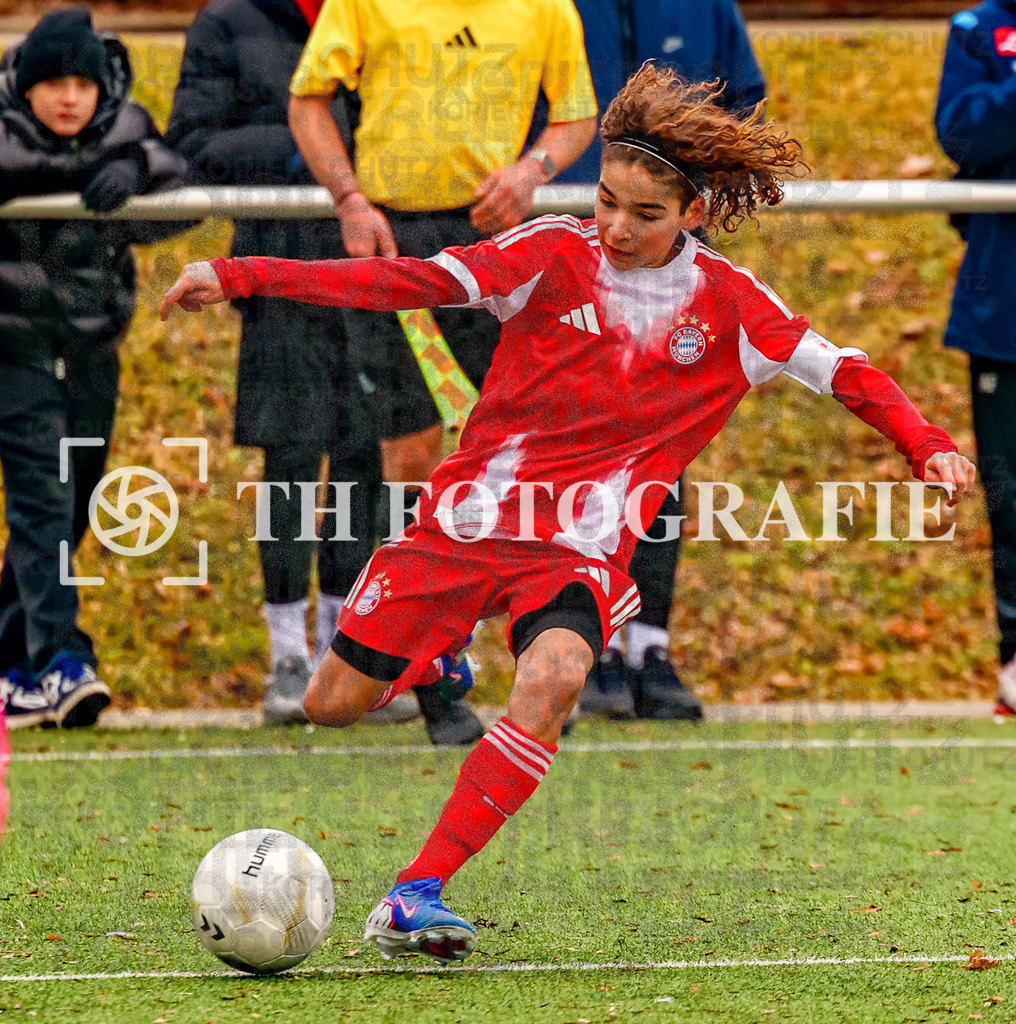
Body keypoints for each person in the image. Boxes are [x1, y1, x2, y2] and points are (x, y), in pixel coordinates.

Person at [162, 64, 976, 965]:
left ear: (695, 214)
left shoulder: (734, 308)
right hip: (464, 525)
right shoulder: (551, 253)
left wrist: (925, 441)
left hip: (580, 547)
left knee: (553, 677)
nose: (617, 228)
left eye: (646, 214)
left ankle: (413, 893)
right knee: (332, 705)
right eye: (608, 202)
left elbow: (848, 370)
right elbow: (402, 283)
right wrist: (238, 272)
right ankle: (438, 660)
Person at [165, 0, 478, 742]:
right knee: (292, 462)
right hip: (279, 278)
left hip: (374, 269)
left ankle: (351, 651)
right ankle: (285, 652)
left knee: (368, 462)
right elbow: (196, 142)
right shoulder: (228, 22)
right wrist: (316, 149)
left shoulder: (390, 15)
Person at [286, 0, 599, 487]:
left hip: (495, 242)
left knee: (515, 440)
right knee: (408, 443)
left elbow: (577, 117)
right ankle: (408, 558)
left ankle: (500, 559)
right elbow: (306, 100)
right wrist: (348, 198)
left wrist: (531, 171)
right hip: (394, 241)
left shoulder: (546, 8)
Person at [564, 0, 765, 720]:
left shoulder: (707, 4)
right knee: (582, 452)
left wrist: (683, 201)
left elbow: (745, 103)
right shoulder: (536, 7)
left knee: (663, 453)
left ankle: (649, 639)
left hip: (674, 262)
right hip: (582, 257)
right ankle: (591, 641)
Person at [0, 9, 189, 729]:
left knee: (76, 499)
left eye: (82, 82)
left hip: (90, 351)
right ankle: (60, 662)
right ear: (25, 84)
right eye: (54, 83)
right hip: (12, 349)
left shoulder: (124, 125)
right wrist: (92, 170)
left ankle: (12, 665)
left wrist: (136, 168)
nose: (70, 97)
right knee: (41, 499)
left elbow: (176, 174)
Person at [936, 2, 1016, 716]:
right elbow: (962, 134)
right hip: (1005, 307)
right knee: (1011, 491)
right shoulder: (977, 29)